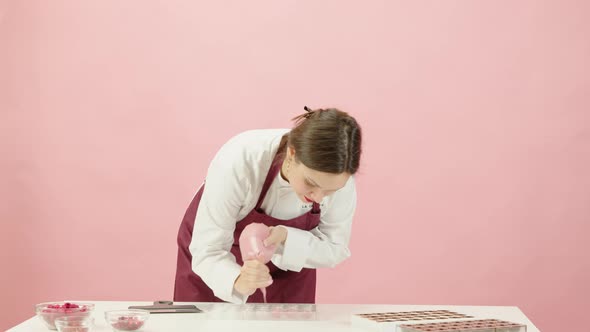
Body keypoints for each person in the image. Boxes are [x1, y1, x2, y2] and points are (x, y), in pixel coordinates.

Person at [174, 106, 362, 304]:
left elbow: (335, 247)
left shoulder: (340, 177)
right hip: (216, 258)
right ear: (291, 154)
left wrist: (286, 240)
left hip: (290, 269)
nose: (318, 197)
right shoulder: (240, 161)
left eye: (330, 191)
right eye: (311, 184)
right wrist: (237, 280)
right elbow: (209, 250)